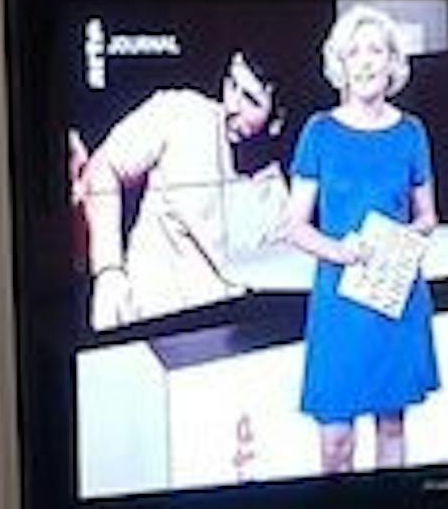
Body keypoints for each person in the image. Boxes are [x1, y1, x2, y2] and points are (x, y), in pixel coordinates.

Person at [281, 5, 440, 474]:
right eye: (355, 53)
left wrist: (401, 238)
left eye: (376, 51)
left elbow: (428, 216)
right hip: (341, 301)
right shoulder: (319, 132)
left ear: (392, 63)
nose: (366, 62)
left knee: (391, 426)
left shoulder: (411, 133)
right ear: (340, 64)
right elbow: (294, 225)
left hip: (393, 294)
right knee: (336, 440)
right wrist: (340, 251)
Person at [69, 51, 287, 330]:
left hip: (221, 340)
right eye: (232, 85)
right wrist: (109, 272)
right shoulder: (180, 114)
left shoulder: (279, 198)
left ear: (277, 121)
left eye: (251, 100)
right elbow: (103, 168)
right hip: (145, 323)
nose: (232, 105)